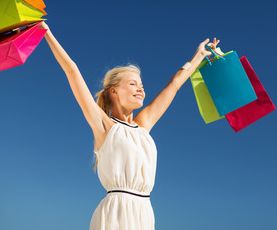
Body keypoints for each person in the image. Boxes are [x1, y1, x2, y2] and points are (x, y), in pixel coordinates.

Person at [39, 21, 220, 230]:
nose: (141, 89)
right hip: (116, 214)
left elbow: (174, 85)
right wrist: (46, 31)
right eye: (133, 84)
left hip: (145, 213)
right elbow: (72, 71)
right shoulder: (104, 126)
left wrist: (198, 56)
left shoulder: (143, 126)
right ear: (113, 91)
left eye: (142, 86)